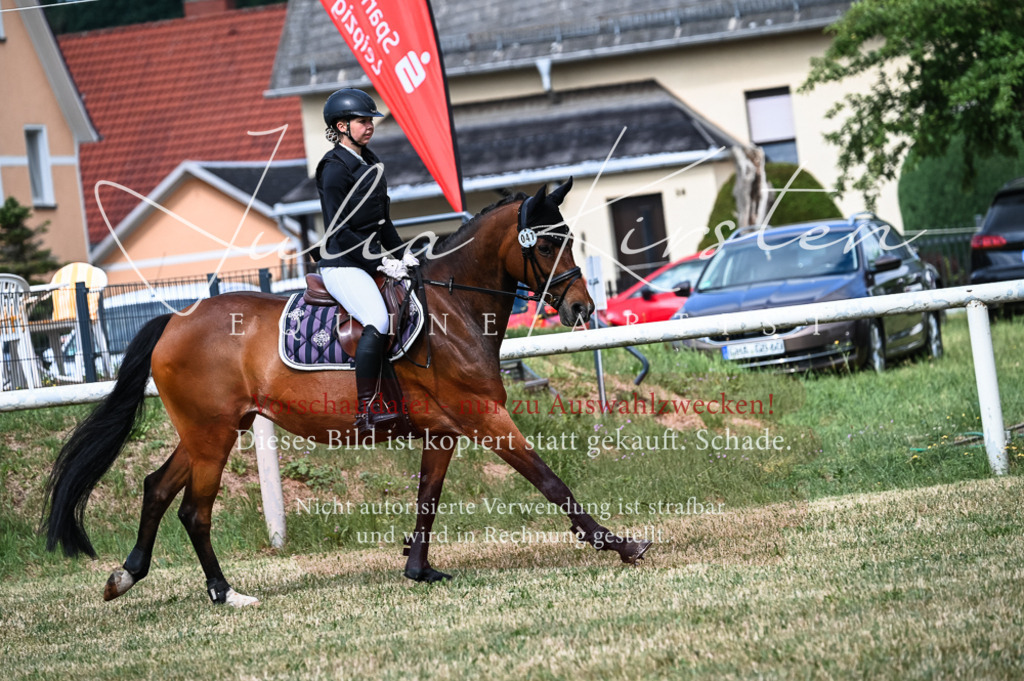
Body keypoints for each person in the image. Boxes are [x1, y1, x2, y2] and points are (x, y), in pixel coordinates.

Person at [314, 87, 417, 432]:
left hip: (368, 259)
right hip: (342, 263)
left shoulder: (369, 161)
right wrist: (380, 264)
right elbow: (340, 230)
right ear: (341, 126)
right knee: (377, 319)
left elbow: (383, 222)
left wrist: (404, 256)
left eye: (370, 120)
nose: (369, 126)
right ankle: (367, 409)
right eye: (362, 121)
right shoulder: (333, 169)